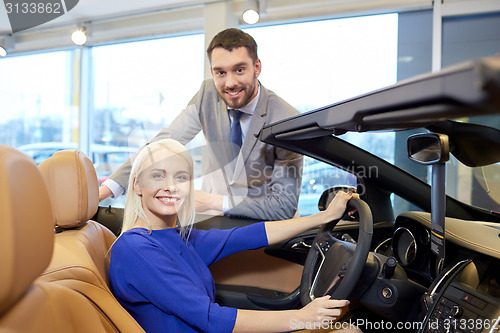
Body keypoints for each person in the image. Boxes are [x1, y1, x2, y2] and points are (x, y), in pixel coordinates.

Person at [108, 139, 360, 333]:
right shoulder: (135, 249)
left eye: (181, 177)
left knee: (348, 328)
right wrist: (302, 318)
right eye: (157, 175)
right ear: (136, 185)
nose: (170, 186)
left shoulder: (175, 236)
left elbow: (249, 236)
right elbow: (209, 318)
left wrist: (323, 218)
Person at [99, 28, 303, 221]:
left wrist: (214, 201)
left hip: (266, 227)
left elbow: (283, 206)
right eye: (220, 72)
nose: (230, 83)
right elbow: (162, 145)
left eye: (239, 70)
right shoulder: (208, 94)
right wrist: (108, 189)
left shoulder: (287, 119)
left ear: (257, 67)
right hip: (215, 223)